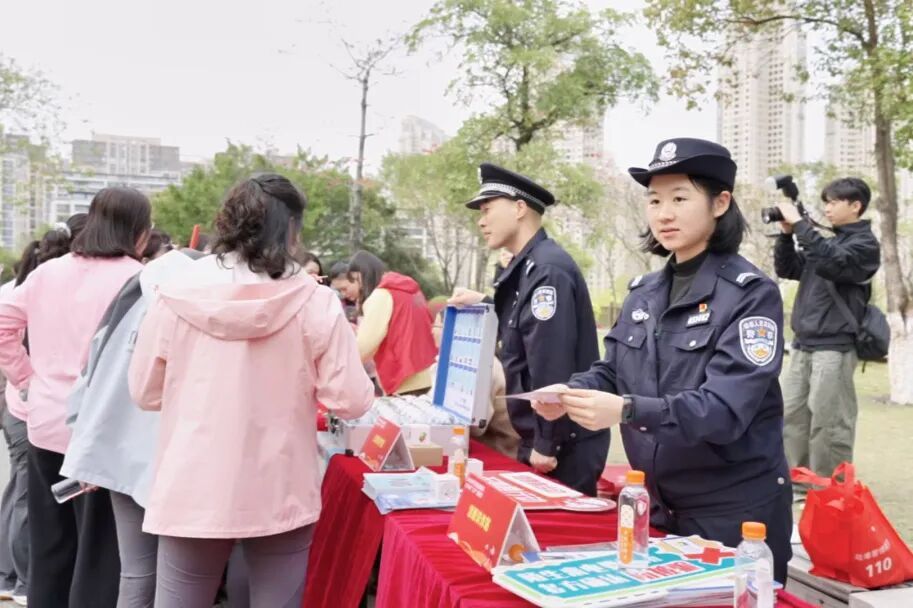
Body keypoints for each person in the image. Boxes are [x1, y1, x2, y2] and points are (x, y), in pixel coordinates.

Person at [533, 138, 793, 581]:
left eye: (679, 198)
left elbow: (724, 411)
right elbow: (613, 370)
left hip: (733, 514)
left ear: (720, 203)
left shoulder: (750, 295)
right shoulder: (645, 292)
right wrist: (573, 391)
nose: (663, 214)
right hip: (657, 507)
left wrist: (627, 410)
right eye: (654, 200)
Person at [128, 173, 374, 607]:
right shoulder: (314, 301)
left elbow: (144, 392)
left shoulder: (176, 292)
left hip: (193, 481)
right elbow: (351, 400)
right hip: (280, 483)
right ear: (291, 228)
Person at [0, 190, 151, 608]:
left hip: (46, 421)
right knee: (99, 553)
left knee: (50, 543)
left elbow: (3, 322)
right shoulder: (137, 279)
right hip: (104, 430)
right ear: (139, 230)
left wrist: (26, 376)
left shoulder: (48, 272)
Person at [448, 163, 606, 495]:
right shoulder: (529, 267)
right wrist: (485, 303)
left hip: (562, 442)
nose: (481, 221)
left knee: (557, 528)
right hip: (544, 434)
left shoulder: (547, 270)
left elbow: (551, 361)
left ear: (519, 208)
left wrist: (546, 442)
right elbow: (521, 331)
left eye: (487, 209)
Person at [61, 248, 195, 608]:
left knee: (136, 571)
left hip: (120, 445)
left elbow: (91, 367)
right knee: (178, 576)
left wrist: (84, 438)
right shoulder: (205, 303)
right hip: (181, 455)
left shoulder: (134, 292)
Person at [774, 177, 880, 498]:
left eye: (833, 202)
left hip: (834, 347)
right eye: (826, 203)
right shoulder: (825, 244)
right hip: (803, 344)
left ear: (856, 206)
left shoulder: (864, 246)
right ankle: (796, 484)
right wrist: (786, 235)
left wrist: (801, 225)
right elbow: (787, 268)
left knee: (829, 423)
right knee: (792, 418)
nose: (827, 208)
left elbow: (833, 261)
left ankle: (830, 492)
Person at [0, 218, 86, 607]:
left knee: (26, 499)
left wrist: (24, 379)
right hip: (44, 411)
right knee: (39, 506)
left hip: (30, 408)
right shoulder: (54, 285)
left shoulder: (29, 284)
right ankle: (19, 579)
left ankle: (13, 576)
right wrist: (25, 378)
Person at [348, 250, 437, 396]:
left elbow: (366, 344)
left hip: (402, 377)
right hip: (424, 374)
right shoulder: (410, 291)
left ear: (361, 275)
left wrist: (342, 363)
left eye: (355, 280)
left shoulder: (381, 295)